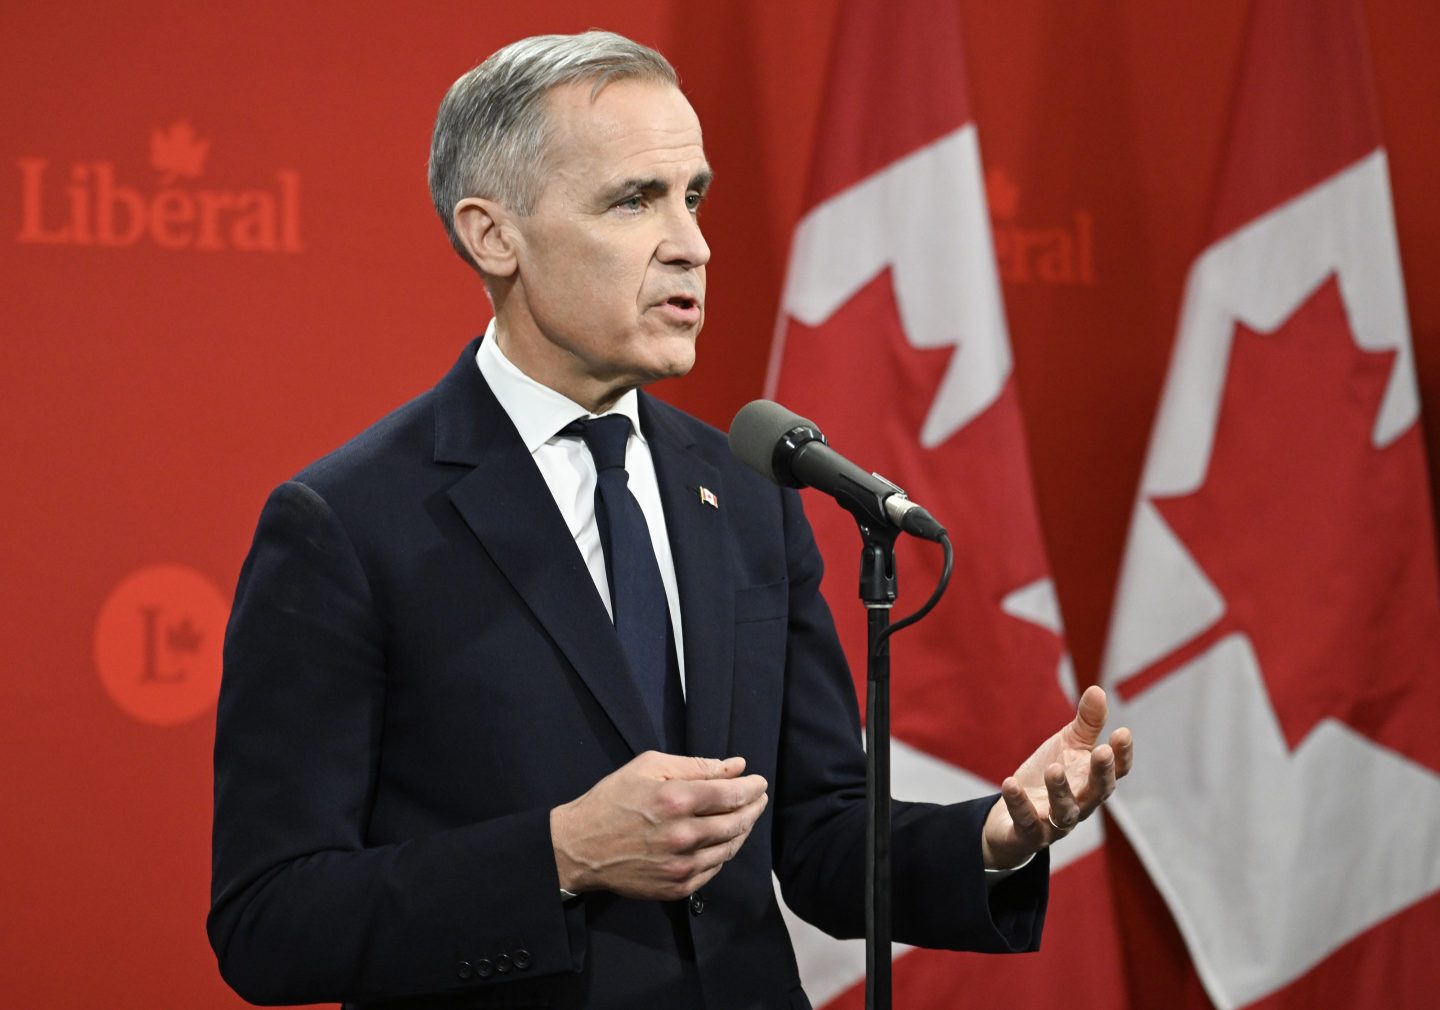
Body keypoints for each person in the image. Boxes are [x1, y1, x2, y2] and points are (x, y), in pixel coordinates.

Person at [208, 30, 1133, 1010]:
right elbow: (271, 918)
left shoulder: (746, 490)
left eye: (693, 195)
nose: (690, 242)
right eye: (634, 199)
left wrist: (994, 834)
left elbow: (819, 829)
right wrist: (562, 851)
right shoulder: (349, 523)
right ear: (494, 235)